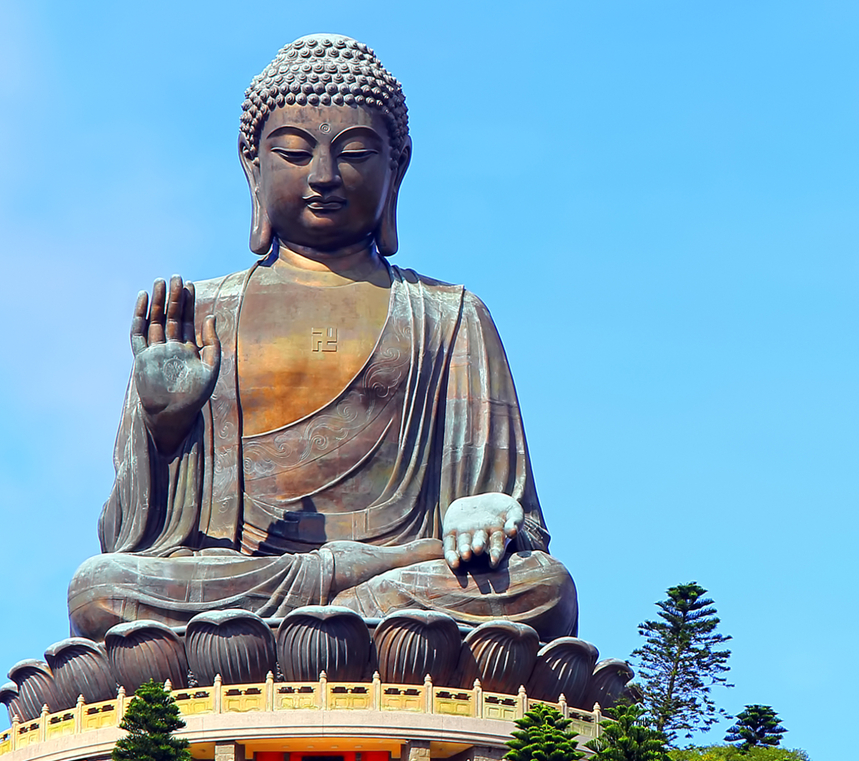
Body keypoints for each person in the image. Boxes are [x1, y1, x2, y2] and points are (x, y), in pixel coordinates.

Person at [67, 35, 577, 645]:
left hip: (401, 577)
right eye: (293, 152)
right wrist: (164, 432)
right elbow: (127, 540)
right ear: (252, 166)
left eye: (356, 154)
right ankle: (342, 620)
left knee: (541, 587)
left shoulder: (449, 315)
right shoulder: (198, 316)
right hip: (247, 580)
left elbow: (514, 527)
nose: (324, 176)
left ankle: (330, 619)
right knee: (100, 589)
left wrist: (486, 513)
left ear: (398, 168)